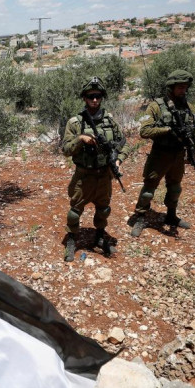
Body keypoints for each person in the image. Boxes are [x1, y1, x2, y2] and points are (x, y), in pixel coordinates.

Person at [61, 77, 126, 262]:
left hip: (104, 175)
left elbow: (123, 142)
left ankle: (99, 236)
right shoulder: (75, 122)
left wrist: (119, 159)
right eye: (91, 96)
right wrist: (81, 138)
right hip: (84, 175)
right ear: (84, 98)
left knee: (104, 209)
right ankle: (72, 239)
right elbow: (66, 150)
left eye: (98, 96)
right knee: (75, 210)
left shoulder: (110, 120)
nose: (95, 100)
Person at [130, 70, 195, 237]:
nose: (184, 91)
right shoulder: (156, 107)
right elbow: (144, 131)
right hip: (160, 155)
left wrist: (194, 148)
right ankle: (140, 217)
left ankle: (171, 216)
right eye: (180, 87)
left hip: (178, 155)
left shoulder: (188, 107)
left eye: (185, 88)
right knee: (148, 190)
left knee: (175, 188)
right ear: (172, 87)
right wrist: (167, 130)